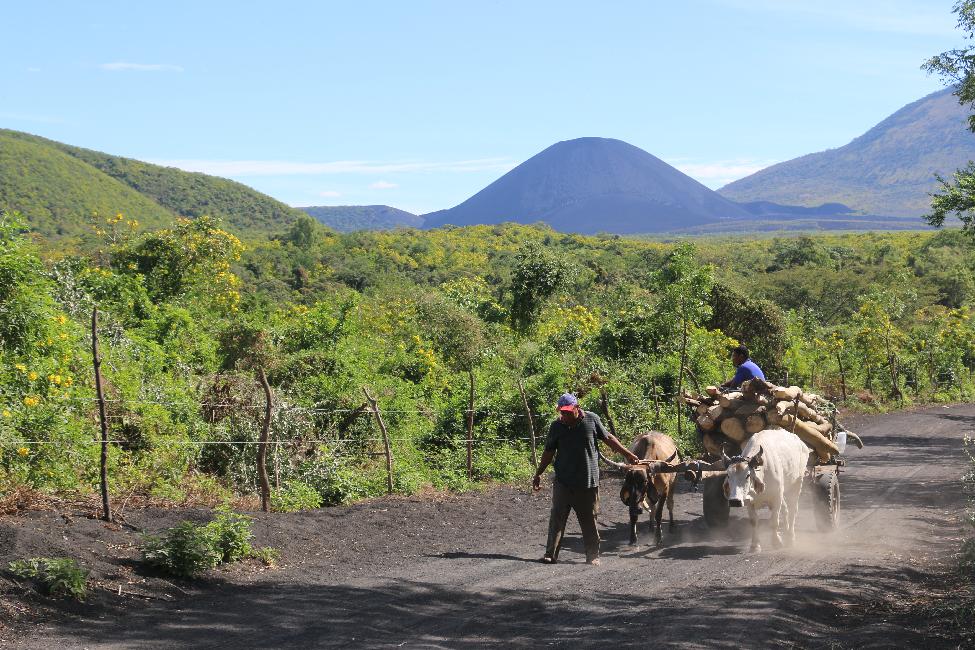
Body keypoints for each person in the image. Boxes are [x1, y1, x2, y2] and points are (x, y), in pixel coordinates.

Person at [532, 392, 643, 565]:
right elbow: (548, 452)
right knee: (557, 518)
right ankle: (550, 554)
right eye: (562, 412)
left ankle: (592, 556)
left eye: (568, 412)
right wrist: (538, 473)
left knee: (589, 520)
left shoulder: (591, 420)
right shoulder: (556, 427)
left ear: (577, 408)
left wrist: (628, 454)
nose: (565, 415)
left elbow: (608, 438)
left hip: (587, 483)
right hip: (563, 482)